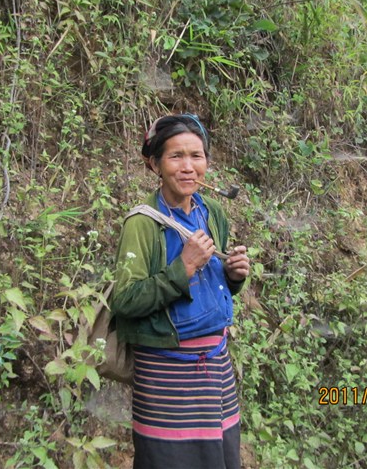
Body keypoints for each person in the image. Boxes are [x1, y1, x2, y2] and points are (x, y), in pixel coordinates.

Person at [110, 113, 250, 469]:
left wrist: (233, 277)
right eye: (176, 156)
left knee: (220, 457)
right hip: (167, 375)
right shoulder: (141, 224)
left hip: (216, 368)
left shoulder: (211, 212)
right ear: (154, 163)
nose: (188, 167)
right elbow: (124, 301)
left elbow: (212, 290)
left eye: (196, 155)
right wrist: (182, 268)